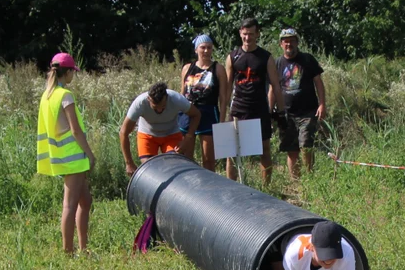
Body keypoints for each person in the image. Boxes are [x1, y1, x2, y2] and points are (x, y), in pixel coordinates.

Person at [37, 52, 96, 255]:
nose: (73, 76)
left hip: (60, 155)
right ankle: (68, 252)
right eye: (73, 72)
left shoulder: (47, 95)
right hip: (74, 156)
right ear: (68, 71)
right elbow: (75, 130)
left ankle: (83, 248)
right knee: (69, 205)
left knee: (85, 201)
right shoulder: (65, 95)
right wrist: (89, 154)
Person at [224, 17, 286, 184]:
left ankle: (266, 188)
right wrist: (223, 112)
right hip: (238, 109)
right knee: (232, 151)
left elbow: (276, 86)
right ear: (240, 33)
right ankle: (232, 187)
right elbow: (227, 88)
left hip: (259, 109)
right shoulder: (232, 57)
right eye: (244, 34)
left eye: (251, 34)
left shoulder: (266, 57)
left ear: (257, 34)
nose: (247, 38)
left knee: (264, 150)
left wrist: (281, 112)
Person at [119, 81, 202, 176]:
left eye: (163, 107)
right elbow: (123, 133)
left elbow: (196, 114)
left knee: (174, 164)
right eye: (155, 108)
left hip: (171, 134)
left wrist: (188, 138)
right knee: (150, 170)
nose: (159, 110)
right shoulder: (140, 103)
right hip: (147, 135)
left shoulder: (176, 99)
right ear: (148, 99)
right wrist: (129, 163)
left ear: (167, 98)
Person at [275, 28, 326, 178]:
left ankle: (310, 179)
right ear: (281, 44)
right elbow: (274, 88)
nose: (289, 43)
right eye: (285, 41)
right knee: (292, 150)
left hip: (308, 112)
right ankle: (295, 182)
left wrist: (322, 104)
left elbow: (318, 82)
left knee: (306, 146)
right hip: (287, 113)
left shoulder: (308, 59)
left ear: (297, 42)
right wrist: (270, 110)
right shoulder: (277, 63)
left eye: (292, 40)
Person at [179, 34, 229, 172]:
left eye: (209, 48)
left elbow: (223, 97)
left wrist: (222, 120)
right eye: (203, 47)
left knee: (208, 159)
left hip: (208, 113)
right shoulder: (187, 68)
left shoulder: (218, 68)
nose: (206, 51)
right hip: (188, 112)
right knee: (186, 157)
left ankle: (210, 188)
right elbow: (182, 93)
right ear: (196, 50)